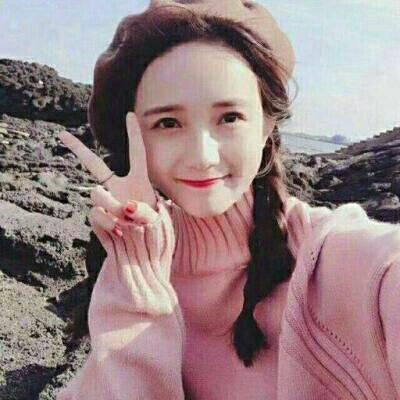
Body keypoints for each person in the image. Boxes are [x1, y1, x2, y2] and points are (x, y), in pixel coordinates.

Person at [56, 1, 400, 399]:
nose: (203, 156)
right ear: (136, 137)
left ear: (267, 124)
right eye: (168, 123)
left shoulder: (345, 261)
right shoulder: (136, 268)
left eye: (229, 118)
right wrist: (136, 265)